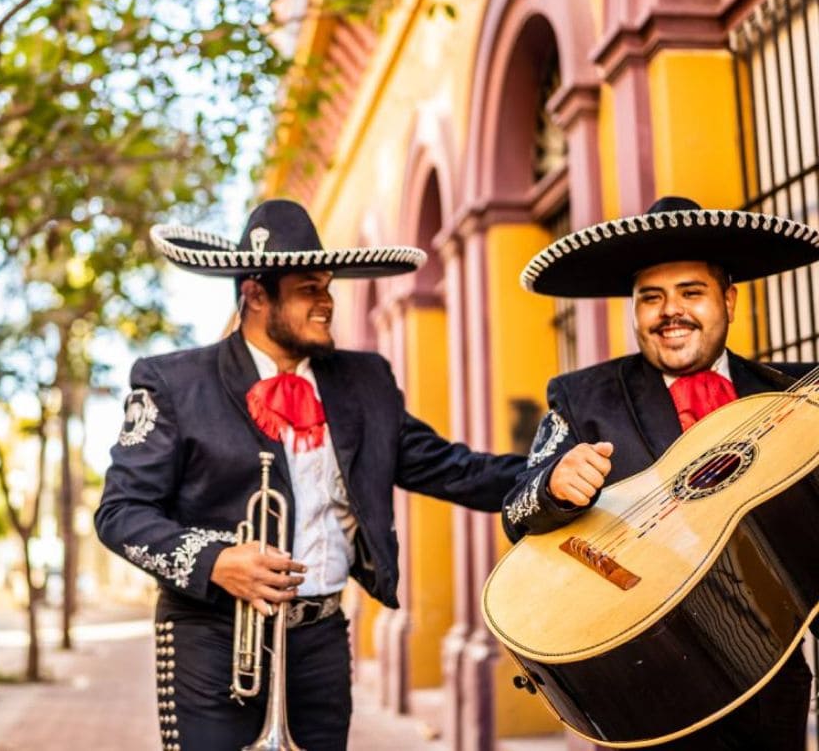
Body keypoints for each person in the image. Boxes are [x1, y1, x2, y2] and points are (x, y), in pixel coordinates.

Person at [94, 199, 527, 751]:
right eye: (308, 289)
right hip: (211, 638)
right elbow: (120, 513)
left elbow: (451, 467)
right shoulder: (174, 382)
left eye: (328, 287)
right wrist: (216, 561)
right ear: (254, 294)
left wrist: (549, 477)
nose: (327, 302)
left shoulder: (365, 381)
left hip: (321, 635)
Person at [502, 196, 819, 750]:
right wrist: (554, 487)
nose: (670, 311)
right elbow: (516, 507)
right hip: (643, 682)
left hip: (770, 683)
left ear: (730, 299)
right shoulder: (581, 397)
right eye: (651, 298)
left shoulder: (796, 399)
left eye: (691, 292)